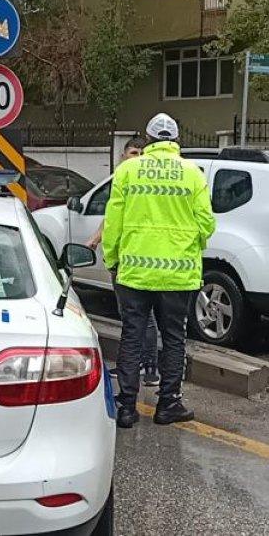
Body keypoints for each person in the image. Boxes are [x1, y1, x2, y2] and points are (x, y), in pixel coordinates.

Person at [102, 113, 215, 428]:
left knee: (132, 336)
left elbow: (113, 223)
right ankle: (168, 405)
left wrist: (112, 258)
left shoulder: (128, 171)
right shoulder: (192, 174)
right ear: (176, 141)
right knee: (174, 337)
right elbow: (207, 222)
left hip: (134, 272)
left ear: (148, 141)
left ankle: (127, 408)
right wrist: (191, 245)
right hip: (178, 274)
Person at [85, 137, 161, 388]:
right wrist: (96, 239)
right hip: (129, 258)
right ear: (123, 156)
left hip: (135, 260)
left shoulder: (137, 181)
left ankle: (147, 365)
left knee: (140, 316)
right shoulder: (127, 179)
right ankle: (140, 365)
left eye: (141, 152)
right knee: (132, 315)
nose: (137, 156)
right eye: (133, 152)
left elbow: (116, 219)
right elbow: (111, 217)